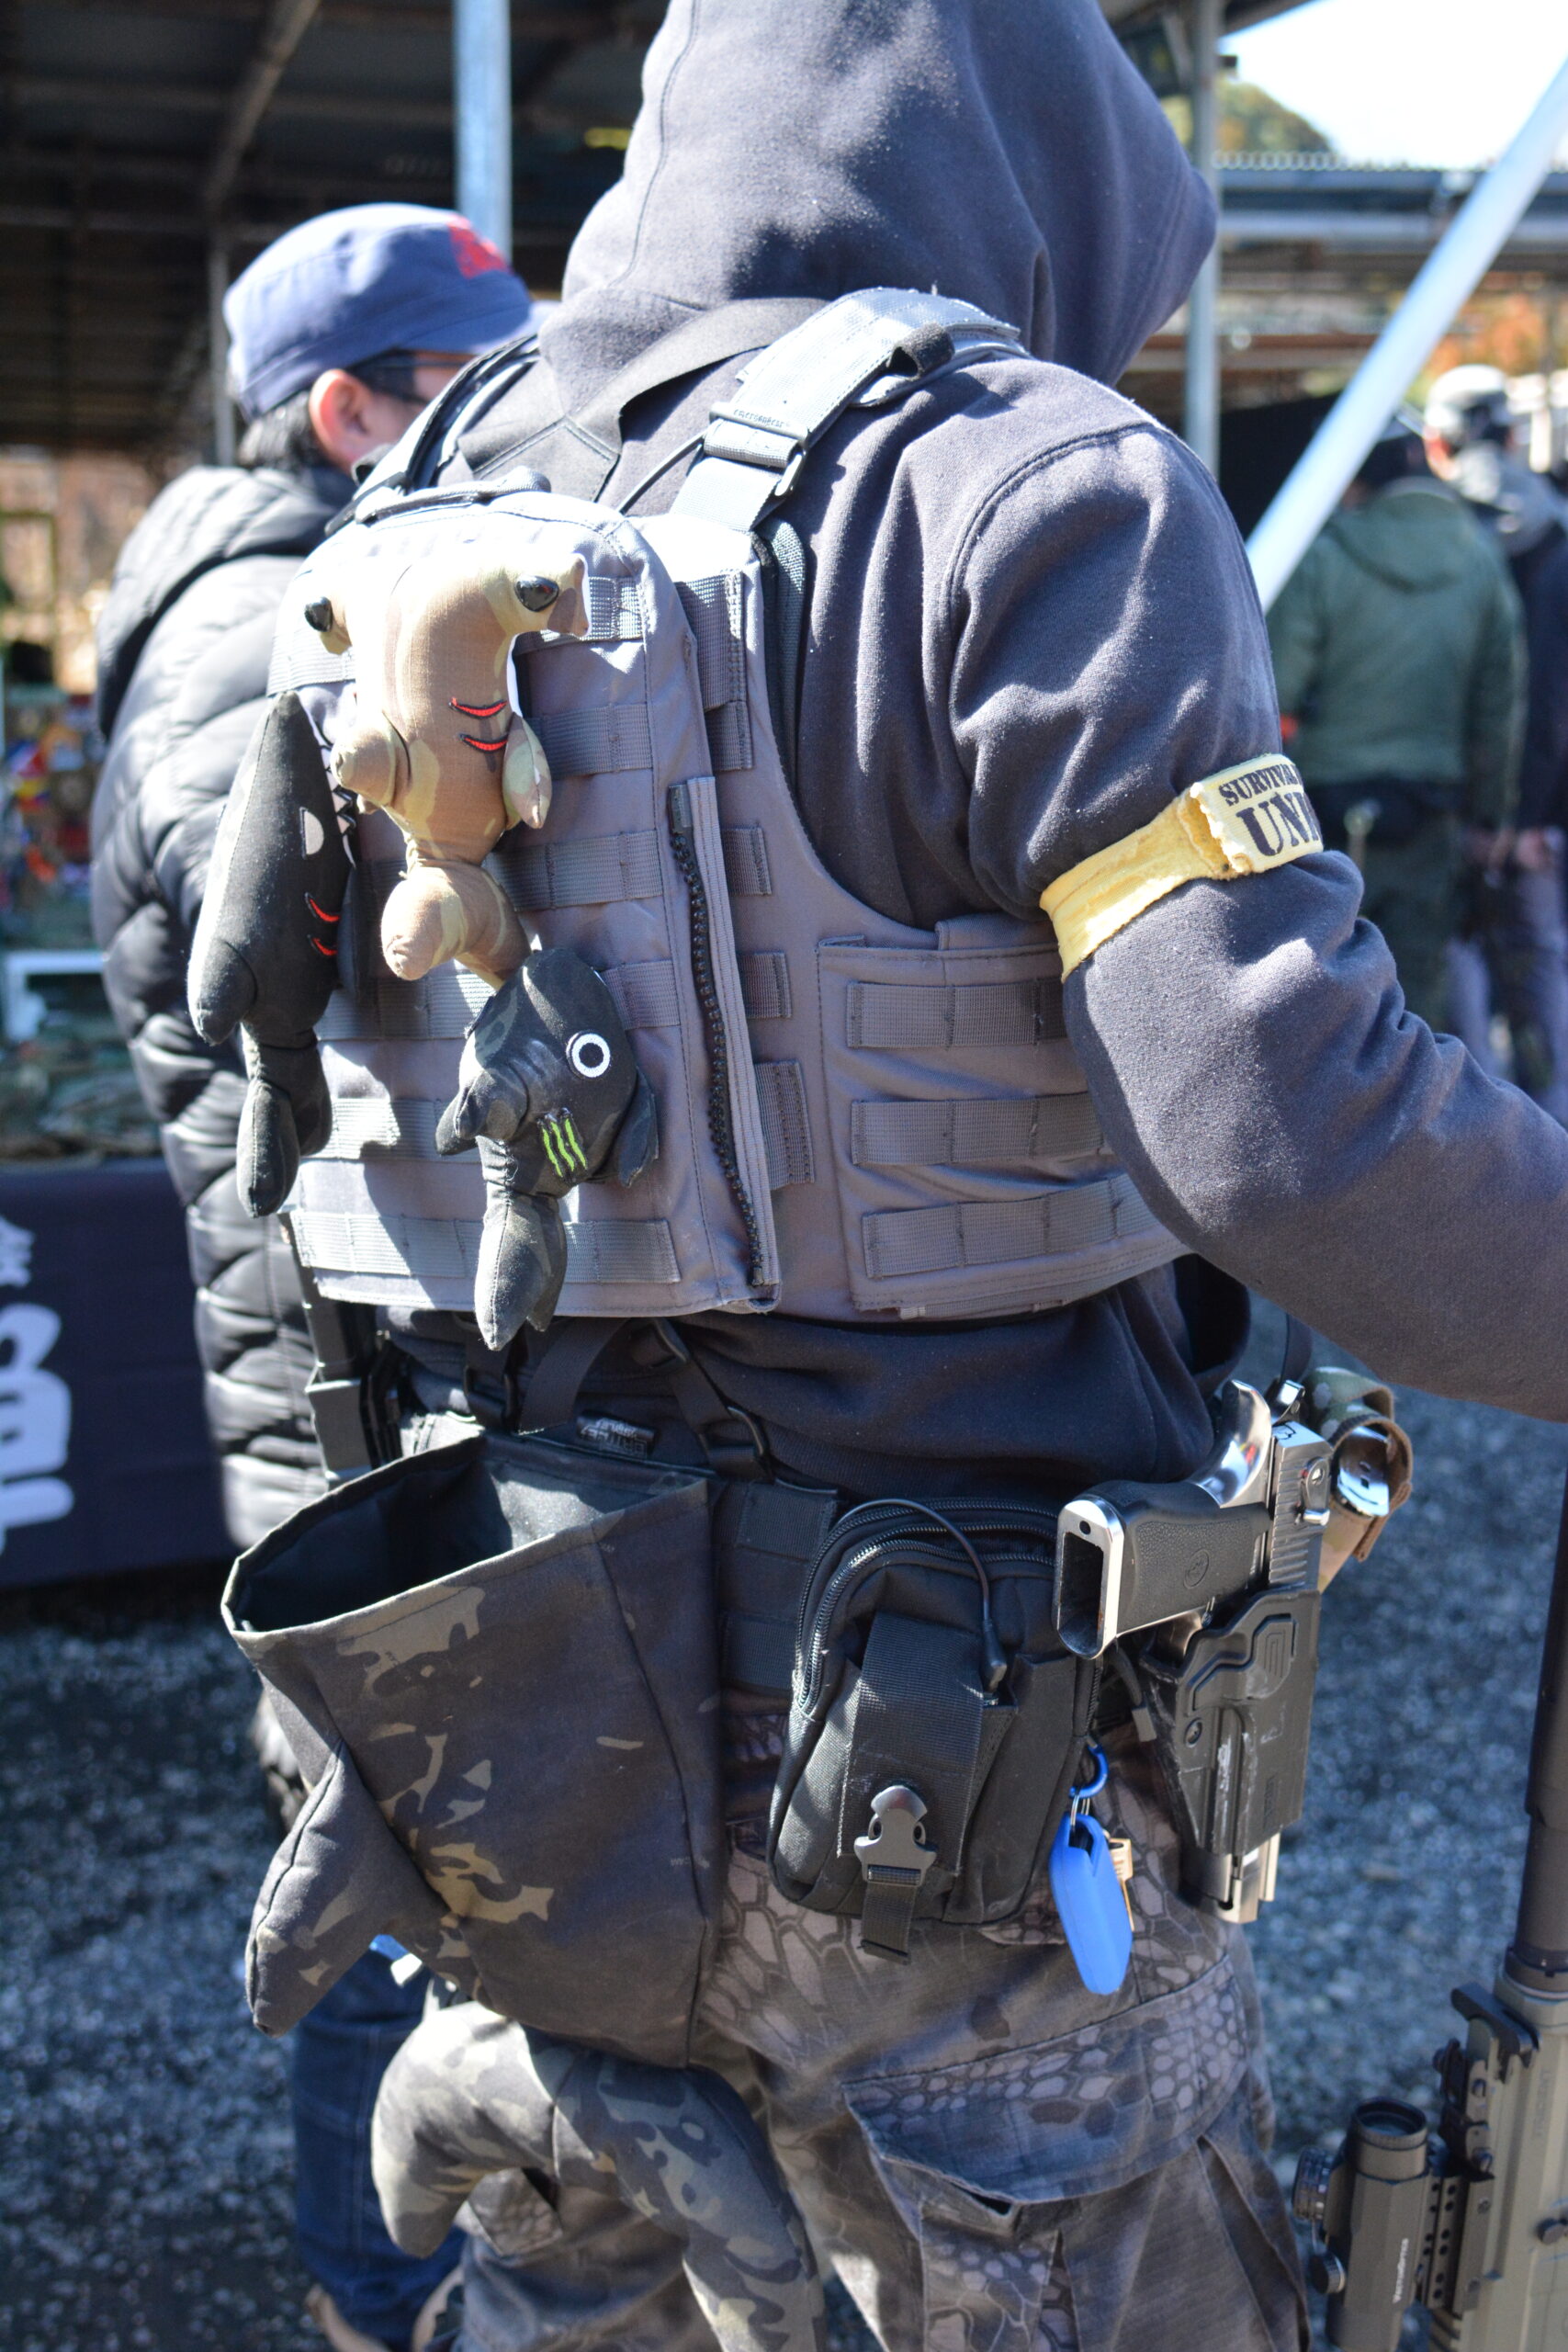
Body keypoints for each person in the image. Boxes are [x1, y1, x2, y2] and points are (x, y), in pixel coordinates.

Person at [214, 5, 1568, 2346]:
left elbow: (267, 1055)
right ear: (1052, 163)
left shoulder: (418, 495)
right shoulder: (1031, 483)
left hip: (525, 1704)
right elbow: (1285, 1118)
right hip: (947, 1762)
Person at [88, 203, 533, 2352]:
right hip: (352, 1404)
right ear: (352, 411)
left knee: (458, 1886)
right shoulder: (246, 626)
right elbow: (269, 929)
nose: (517, 423)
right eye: (472, 384)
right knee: (392, 1892)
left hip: (400, 1376)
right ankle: (382, 2305)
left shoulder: (318, 591)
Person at [1266, 418, 1527, 1029]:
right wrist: (1492, 815)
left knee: (1324, 993)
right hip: (1431, 814)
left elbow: (1275, 689)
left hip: (1327, 814)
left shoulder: (1325, 555)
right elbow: (1499, 707)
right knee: (1416, 1001)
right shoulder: (1481, 559)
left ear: (1354, 480)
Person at [1425, 363, 1568, 1119]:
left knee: (1452, 956)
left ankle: (1480, 1127)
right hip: (1541, 813)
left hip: (1444, 800)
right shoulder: (1559, 533)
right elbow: (1551, 697)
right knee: (1536, 954)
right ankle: (1552, 1121)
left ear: (1436, 446)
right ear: (1511, 438)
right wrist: (1534, 817)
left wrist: (1480, 812)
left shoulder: (1432, 536)